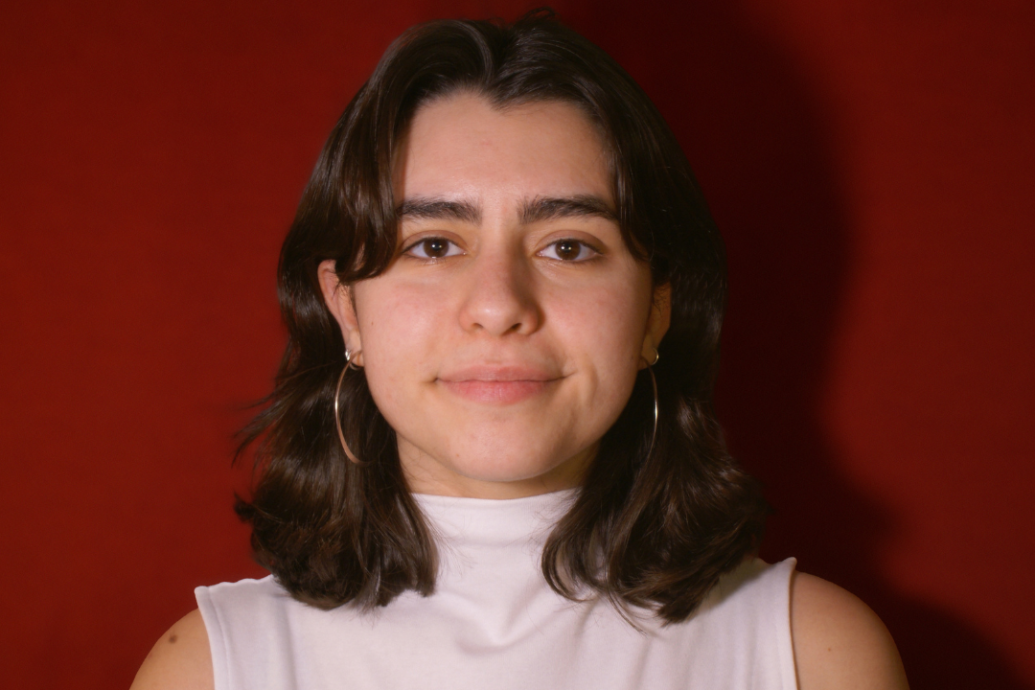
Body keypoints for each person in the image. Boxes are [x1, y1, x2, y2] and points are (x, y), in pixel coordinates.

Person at [131, 11, 908, 690]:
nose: (499, 305)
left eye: (568, 247)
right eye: (434, 244)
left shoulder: (816, 659)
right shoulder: (211, 670)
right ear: (346, 312)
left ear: (654, 313)